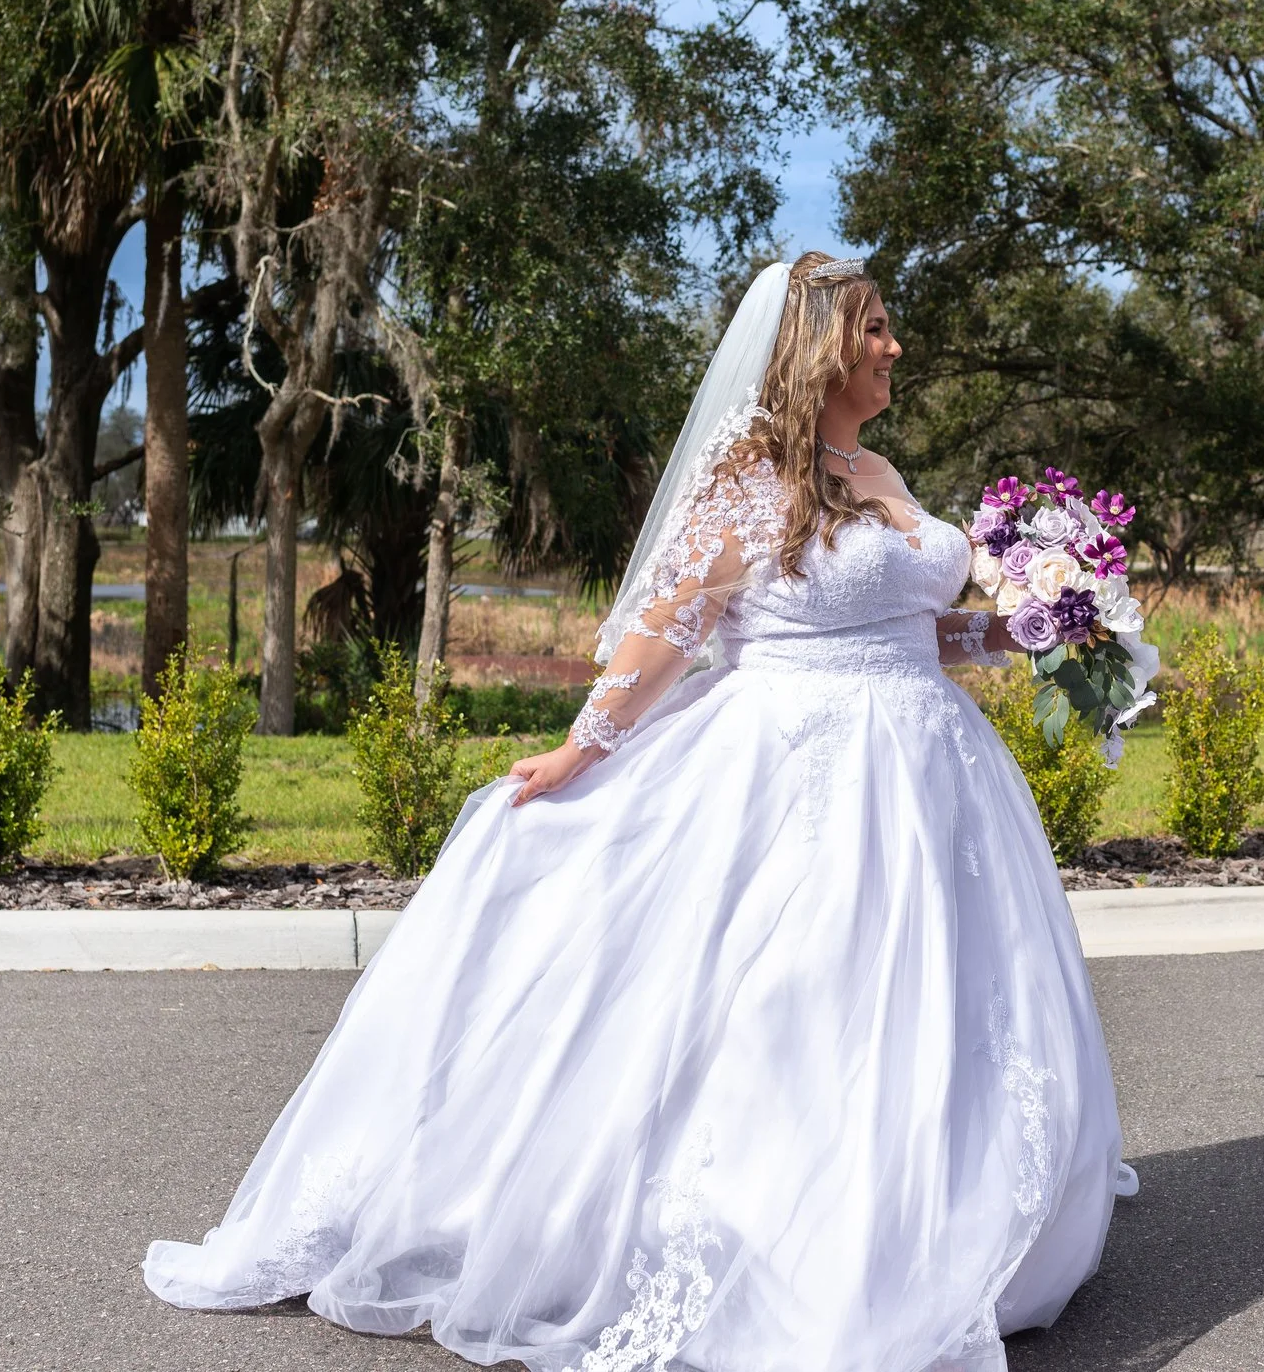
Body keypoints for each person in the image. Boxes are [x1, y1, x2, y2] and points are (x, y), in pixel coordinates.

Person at [143, 252, 1135, 1372]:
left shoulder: (880, 465)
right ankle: (789, 1237)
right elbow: (669, 627)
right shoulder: (752, 478)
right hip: (803, 769)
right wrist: (584, 746)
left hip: (933, 773)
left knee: (939, 999)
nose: (894, 347)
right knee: (802, 998)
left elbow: (914, 629)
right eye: (874, 329)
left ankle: (941, 1209)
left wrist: (1014, 628)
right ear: (817, 346)